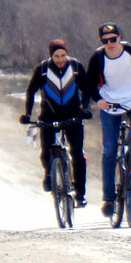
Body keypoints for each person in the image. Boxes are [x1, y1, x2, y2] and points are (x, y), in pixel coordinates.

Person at [86, 23, 131, 218]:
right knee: (109, 150)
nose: (110, 44)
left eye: (113, 39)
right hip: (111, 104)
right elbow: (90, 84)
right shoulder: (98, 58)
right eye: (105, 41)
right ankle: (109, 198)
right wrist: (99, 101)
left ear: (120, 38)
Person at [22, 39, 91, 207]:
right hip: (48, 117)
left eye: (63, 55)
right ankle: (49, 173)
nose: (60, 59)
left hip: (73, 116)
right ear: (51, 56)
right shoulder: (43, 70)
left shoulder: (75, 67)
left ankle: (80, 193)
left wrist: (85, 108)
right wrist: (27, 114)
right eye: (56, 56)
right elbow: (31, 91)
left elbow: (86, 89)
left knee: (78, 154)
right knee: (46, 151)